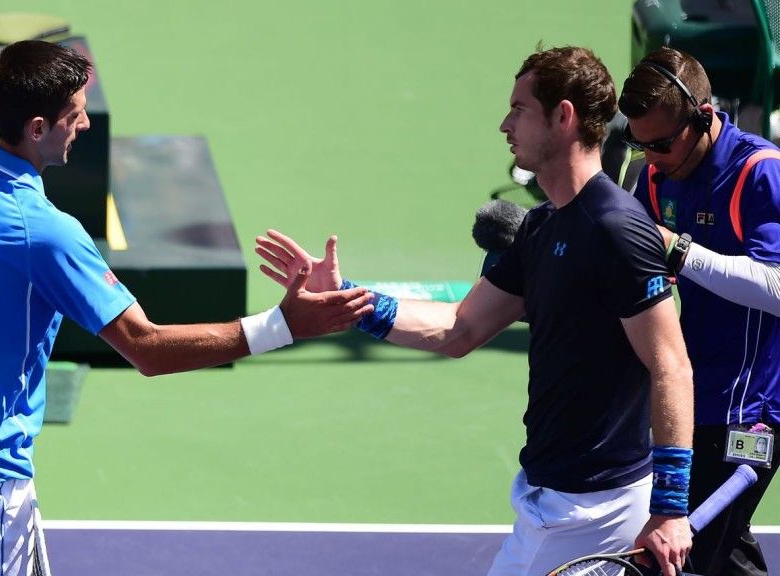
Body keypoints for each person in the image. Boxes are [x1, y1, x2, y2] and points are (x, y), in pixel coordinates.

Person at [0, 40, 374, 576]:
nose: (84, 125)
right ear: (38, 128)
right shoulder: (49, 234)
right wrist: (283, 326)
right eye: (75, 115)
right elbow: (147, 350)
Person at [255, 46, 694, 576]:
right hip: (547, 497)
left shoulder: (616, 229)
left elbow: (670, 364)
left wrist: (670, 509)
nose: (504, 124)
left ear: (563, 116)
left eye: (519, 109)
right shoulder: (539, 229)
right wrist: (349, 298)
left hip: (596, 509)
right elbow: (458, 328)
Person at [619, 47, 780, 576]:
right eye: (638, 144)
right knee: (721, 556)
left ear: (705, 117)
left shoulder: (760, 173)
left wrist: (679, 251)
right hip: (688, 398)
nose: (650, 156)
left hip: (751, 408)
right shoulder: (651, 177)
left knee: (686, 556)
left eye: (661, 143)